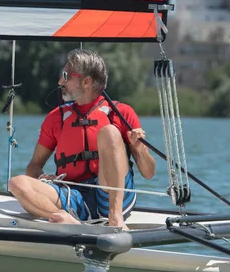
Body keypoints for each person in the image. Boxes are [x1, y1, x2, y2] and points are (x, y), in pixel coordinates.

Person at [8, 49, 155, 230]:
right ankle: (63, 217)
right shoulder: (56, 118)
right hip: (73, 195)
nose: (60, 81)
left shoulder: (121, 113)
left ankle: (115, 217)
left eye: (66, 75)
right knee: (17, 183)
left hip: (110, 194)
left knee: (109, 132)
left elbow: (148, 173)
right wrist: (41, 176)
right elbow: (33, 165)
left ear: (86, 81)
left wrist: (139, 148)